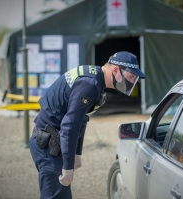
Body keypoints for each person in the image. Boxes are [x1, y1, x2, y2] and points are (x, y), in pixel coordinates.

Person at [29, 51, 146, 199]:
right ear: (116, 70)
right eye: (130, 77)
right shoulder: (90, 85)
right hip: (48, 146)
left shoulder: (96, 79)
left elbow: (81, 119)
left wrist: (77, 153)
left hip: (51, 142)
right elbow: (69, 126)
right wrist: (67, 167)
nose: (130, 82)